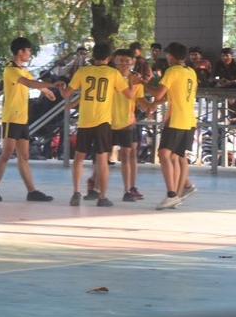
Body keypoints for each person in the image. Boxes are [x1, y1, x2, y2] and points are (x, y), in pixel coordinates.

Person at [60, 42, 135, 207]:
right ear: (109, 58)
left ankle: (76, 193)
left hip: (85, 121)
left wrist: (61, 86)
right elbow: (129, 95)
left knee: (79, 158)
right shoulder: (113, 74)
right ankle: (102, 197)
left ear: (93, 56)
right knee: (102, 160)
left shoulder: (83, 71)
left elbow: (66, 94)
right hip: (103, 123)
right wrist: (131, 82)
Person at [0, 37, 58, 203]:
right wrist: (53, 86)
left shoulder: (22, 69)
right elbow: (28, 83)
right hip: (11, 117)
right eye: (28, 51)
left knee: (24, 156)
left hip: (22, 118)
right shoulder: (11, 69)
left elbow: (34, 81)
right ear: (20, 52)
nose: (30, 54)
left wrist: (47, 91)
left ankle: (32, 191)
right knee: (6, 154)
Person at [145, 42, 198, 210]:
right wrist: (156, 104)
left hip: (176, 119)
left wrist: (141, 82)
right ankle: (177, 193)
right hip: (189, 119)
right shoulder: (191, 72)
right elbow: (172, 95)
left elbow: (158, 92)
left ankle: (172, 194)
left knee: (164, 154)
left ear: (171, 56)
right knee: (177, 156)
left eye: (167, 55)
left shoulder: (172, 71)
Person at [111, 49, 155, 202]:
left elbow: (139, 98)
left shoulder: (136, 79)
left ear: (132, 62)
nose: (124, 63)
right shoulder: (110, 76)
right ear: (115, 61)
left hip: (128, 121)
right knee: (102, 155)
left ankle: (130, 188)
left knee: (129, 154)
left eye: (127, 61)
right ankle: (95, 183)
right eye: (120, 60)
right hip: (108, 120)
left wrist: (150, 106)